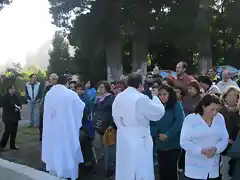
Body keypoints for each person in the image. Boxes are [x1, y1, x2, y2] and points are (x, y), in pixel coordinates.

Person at [112, 72, 165, 180]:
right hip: (139, 138)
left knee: (125, 168)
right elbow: (158, 113)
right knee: (141, 168)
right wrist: (155, 97)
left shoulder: (119, 97)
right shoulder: (140, 98)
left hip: (123, 136)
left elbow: (115, 116)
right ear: (140, 85)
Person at [42, 75, 85, 180]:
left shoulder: (49, 94)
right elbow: (81, 106)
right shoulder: (71, 94)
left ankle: (55, 171)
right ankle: (68, 173)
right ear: (66, 83)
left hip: (53, 128)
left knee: (55, 149)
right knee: (67, 149)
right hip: (66, 128)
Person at [180, 94, 229, 180]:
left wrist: (216, 149)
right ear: (203, 106)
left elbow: (224, 138)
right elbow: (184, 142)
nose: (215, 113)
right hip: (194, 170)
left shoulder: (220, 118)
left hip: (213, 169)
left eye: (217, 110)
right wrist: (201, 151)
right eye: (212, 109)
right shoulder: (190, 119)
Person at [155, 85, 185, 180]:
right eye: (160, 94)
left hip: (173, 145)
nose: (162, 97)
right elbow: (152, 122)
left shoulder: (176, 105)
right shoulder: (156, 106)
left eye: (164, 94)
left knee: (171, 172)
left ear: (170, 94)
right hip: (160, 145)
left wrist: (168, 135)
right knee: (162, 172)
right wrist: (157, 134)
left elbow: (179, 122)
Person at [219, 86, 240, 177]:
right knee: (224, 171)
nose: (232, 97)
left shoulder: (239, 112)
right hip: (223, 146)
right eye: (230, 95)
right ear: (225, 97)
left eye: (235, 95)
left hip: (237, 146)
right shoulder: (220, 111)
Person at [0, 86, 21, 151]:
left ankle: (12, 145)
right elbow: (4, 105)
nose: (13, 90)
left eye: (14, 88)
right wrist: (13, 107)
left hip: (15, 116)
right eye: (11, 89)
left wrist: (19, 107)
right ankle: (2, 146)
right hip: (8, 117)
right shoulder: (5, 97)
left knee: (14, 132)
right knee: (7, 132)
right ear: (8, 90)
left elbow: (19, 103)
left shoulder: (16, 96)